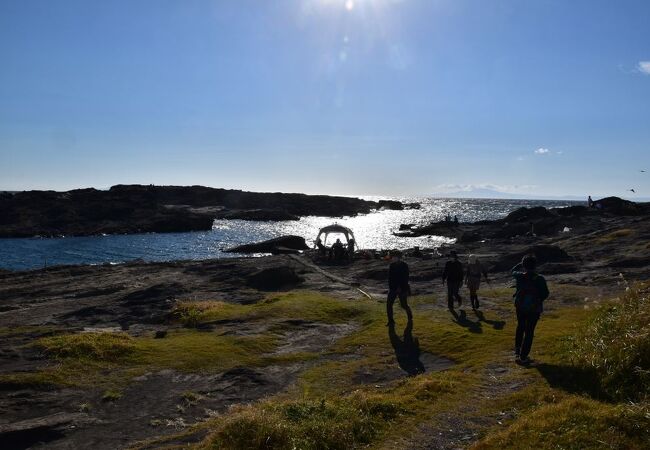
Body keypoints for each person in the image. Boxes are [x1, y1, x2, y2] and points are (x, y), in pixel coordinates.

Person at [511, 255, 549, 364]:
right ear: (535, 265)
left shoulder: (519, 276)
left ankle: (517, 351)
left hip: (520, 307)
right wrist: (538, 301)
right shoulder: (539, 279)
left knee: (520, 327)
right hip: (534, 309)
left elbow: (512, 271)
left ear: (524, 265)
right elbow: (545, 293)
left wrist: (520, 264)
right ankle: (523, 357)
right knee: (529, 331)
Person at [387, 251, 412, 326]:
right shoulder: (392, 266)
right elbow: (390, 278)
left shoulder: (404, 265)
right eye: (392, 257)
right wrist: (391, 287)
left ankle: (410, 316)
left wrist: (400, 287)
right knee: (389, 305)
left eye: (394, 257)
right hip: (393, 288)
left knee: (404, 305)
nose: (393, 258)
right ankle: (391, 321)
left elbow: (405, 278)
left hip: (402, 288)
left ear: (399, 257)